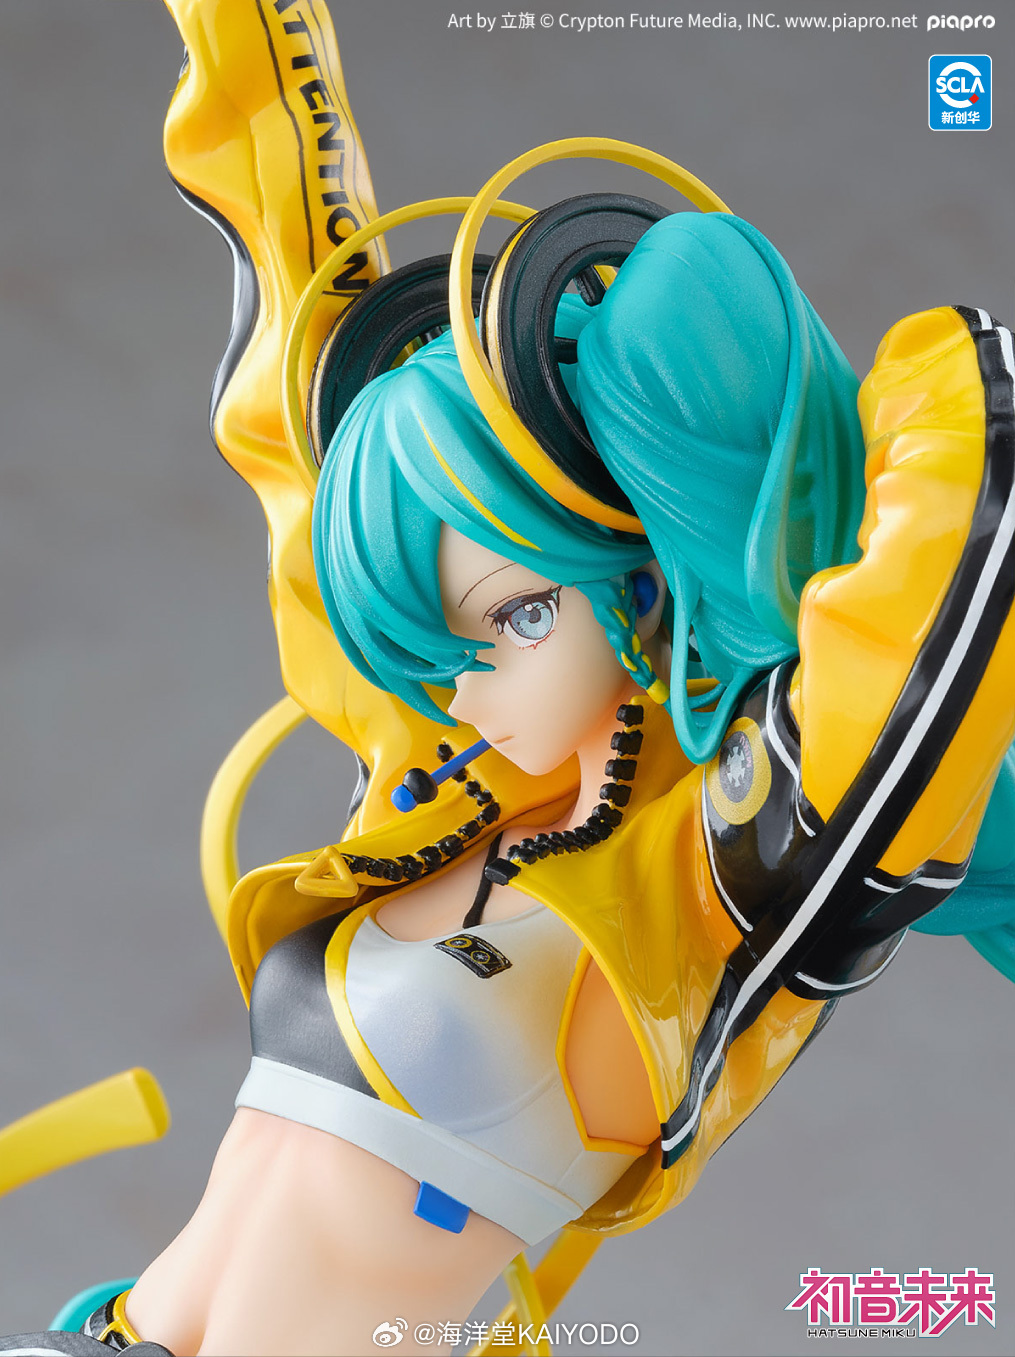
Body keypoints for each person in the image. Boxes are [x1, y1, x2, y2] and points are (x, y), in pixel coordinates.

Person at [3, 6, 1012, 1356]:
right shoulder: (441, 781)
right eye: (434, 643)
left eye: (515, 617)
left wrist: (938, 389)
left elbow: (929, 626)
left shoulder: (714, 882)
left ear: (643, 580)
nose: (461, 684)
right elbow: (290, 318)